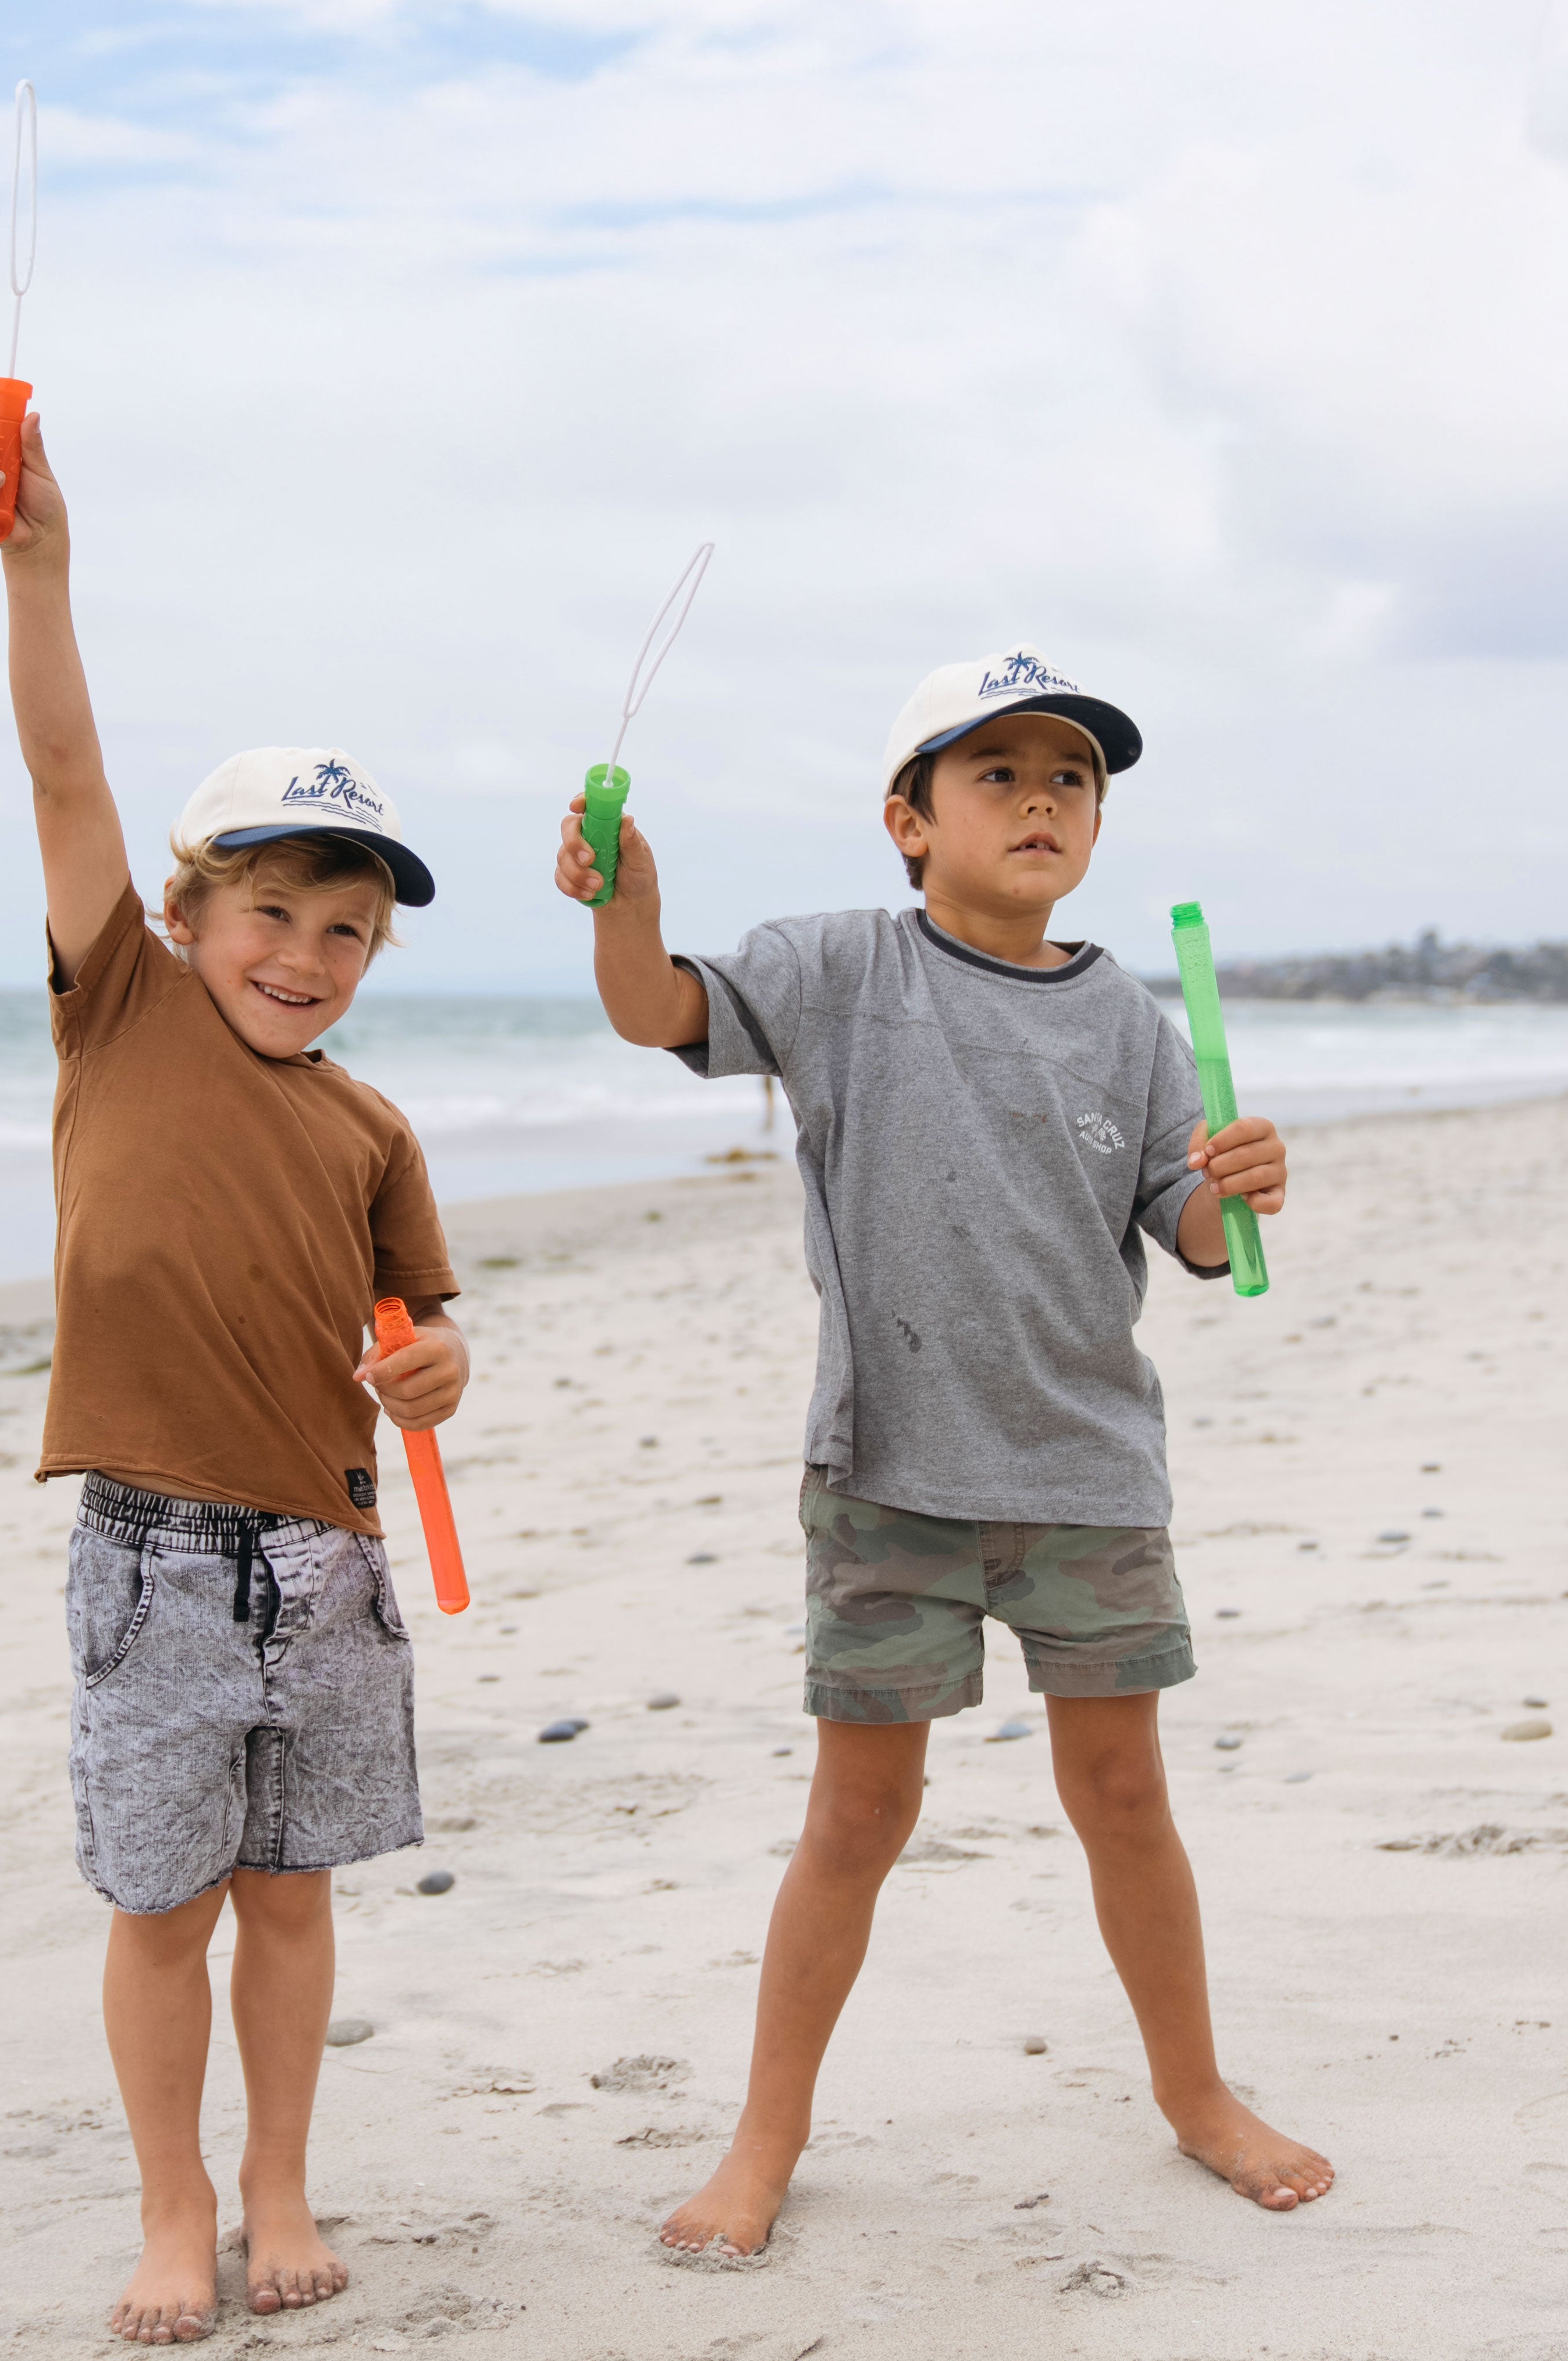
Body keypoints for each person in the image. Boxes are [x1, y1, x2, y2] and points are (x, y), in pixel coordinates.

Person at [553, 649, 1333, 2258]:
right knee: (857, 1813)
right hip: (888, 1470)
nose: (1040, 800)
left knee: (1124, 1793)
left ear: (1097, 826)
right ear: (908, 822)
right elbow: (655, 1008)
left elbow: (1182, 1224)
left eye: (1070, 779)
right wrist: (620, 902)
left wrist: (1235, 1181)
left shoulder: (1128, 1019)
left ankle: (1193, 2092)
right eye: (998, 774)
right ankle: (766, 2134)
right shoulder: (841, 972)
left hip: (1087, 1472)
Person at [0, 390, 469, 2344]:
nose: (308, 952)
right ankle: (173, 2206)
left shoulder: (371, 1126)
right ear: (184, 915)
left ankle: (279, 2184)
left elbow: (421, 1338)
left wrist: (432, 1379)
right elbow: (64, 758)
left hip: (327, 1561)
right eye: (273, 910)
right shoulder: (121, 1018)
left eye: (347, 929)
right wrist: (38, 558)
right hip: (147, 1559)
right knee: (158, 1904)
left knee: (294, 1897)